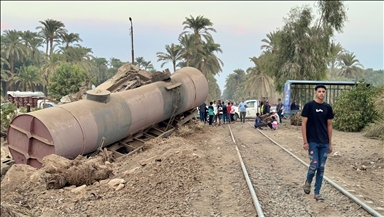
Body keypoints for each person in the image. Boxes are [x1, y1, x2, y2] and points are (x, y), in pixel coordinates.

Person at [302, 84, 334, 202]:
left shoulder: (327, 108)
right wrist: (305, 141)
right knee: (314, 165)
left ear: (325, 93)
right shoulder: (309, 106)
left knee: (321, 168)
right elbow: (304, 124)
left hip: (324, 143)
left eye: (323, 92)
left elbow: (329, 126)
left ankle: (317, 193)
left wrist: (330, 143)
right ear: (316, 93)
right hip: (312, 142)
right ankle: (308, 181)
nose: (321, 93)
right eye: (319, 91)